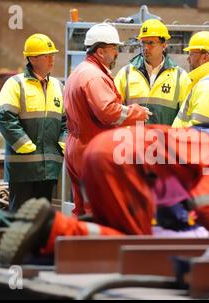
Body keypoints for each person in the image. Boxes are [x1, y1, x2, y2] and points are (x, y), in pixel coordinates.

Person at [0, 123, 209, 266]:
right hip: (124, 165)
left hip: (104, 149)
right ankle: (51, 227)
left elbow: (180, 202)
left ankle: (27, 230)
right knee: (135, 248)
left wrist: (188, 220)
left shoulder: (205, 142)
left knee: (111, 231)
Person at [64, 23, 152, 216]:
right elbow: (108, 111)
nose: (117, 53)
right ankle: (95, 245)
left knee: (82, 207)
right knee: (98, 207)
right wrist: (137, 112)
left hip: (76, 146)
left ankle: (75, 242)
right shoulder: (94, 77)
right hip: (91, 148)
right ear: (101, 51)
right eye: (114, 48)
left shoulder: (79, 71)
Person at [0, 33, 67, 213]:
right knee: (19, 216)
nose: (52, 59)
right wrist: (24, 145)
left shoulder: (58, 87)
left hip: (49, 167)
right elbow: (5, 117)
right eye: (47, 55)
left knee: (41, 218)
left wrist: (63, 142)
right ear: (33, 59)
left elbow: (67, 121)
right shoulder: (15, 84)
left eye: (53, 54)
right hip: (23, 167)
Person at [115, 19, 191, 125]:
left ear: (164, 45)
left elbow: (186, 117)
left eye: (151, 43)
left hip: (165, 140)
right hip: (132, 140)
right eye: (143, 43)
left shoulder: (180, 77)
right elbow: (115, 111)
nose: (145, 48)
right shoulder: (125, 74)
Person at [172, 31, 209, 128]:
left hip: (188, 143)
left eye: (191, 54)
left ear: (204, 57)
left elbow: (198, 132)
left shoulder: (207, 86)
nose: (188, 59)